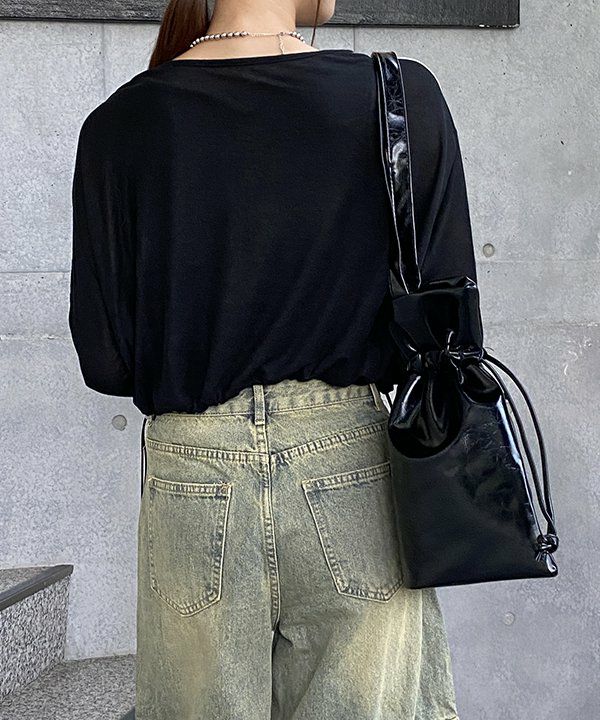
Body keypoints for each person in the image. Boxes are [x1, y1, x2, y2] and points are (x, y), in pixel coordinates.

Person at [68, 0, 476, 718]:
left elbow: (105, 361)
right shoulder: (398, 97)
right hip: (350, 467)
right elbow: (451, 328)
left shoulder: (121, 121)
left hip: (193, 472)